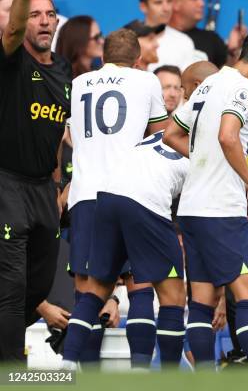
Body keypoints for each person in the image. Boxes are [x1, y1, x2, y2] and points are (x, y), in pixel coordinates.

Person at [163, 29, 248, 368]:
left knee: (202, 305)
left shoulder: (208, 84)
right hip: (221, 209)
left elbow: (171, 134)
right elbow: (227, 136)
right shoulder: (241, 87)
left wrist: (205, 161)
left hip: (191, 208)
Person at [63, 28, 168, 368]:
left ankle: (81, 374)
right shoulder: (146, 81)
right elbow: (162, 136)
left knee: (87, 290)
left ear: (103, 57)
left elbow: (69, 135)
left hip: (85, 195)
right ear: (137, 59)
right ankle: (139, 372)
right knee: (139, 285)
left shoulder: (78, 84)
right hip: (130, 193)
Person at [61, 118, 190, 370]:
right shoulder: (209, 143)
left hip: (107, 196)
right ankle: (169, 378)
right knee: (173, 296)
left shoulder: (162, 132)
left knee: (97, 289)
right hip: (146, 202)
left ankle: (67, 364)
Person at [0, 0, 72, 362]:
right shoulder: (11, 60)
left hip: (45, 188)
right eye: (34, 15)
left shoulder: (63, 69)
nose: (43, 22)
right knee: (11, 286)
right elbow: (9, 33)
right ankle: (11, 370)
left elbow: (57, 133)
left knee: (38, 284)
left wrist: (58, 182)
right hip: (8, 183)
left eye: (49, 15)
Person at [169, 0, 246, 68]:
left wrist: (232, 50)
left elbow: (228, 74)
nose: (202, 3)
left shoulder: (212, 39)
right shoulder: (156, 38)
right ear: (175, 4)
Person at [137, 0, 197, 72]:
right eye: (158, 2)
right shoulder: (129, 40)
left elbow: (186, 83)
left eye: (169, 1)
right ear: (143, 7)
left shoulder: (184, 42)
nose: (166, 8)